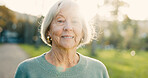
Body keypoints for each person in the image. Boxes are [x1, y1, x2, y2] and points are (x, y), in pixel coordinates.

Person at [15, 0, 109, 78]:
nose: (68, 27)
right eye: (60, 21)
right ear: (48, 30)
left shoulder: (98, 70)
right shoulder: (26, 70)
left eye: (75, 21)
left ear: (82, 31)